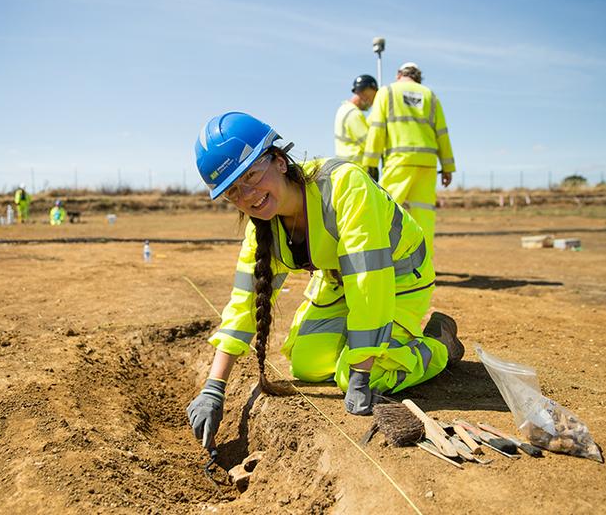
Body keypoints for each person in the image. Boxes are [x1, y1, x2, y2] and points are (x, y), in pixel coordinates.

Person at [186, 112, 463, 448]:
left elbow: (369, 281)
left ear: (278, 161)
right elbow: (244, 303)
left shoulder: (345, 186)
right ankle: (374, 347)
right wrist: (214, 388)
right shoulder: (262, 227)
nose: (248, 196)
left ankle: (437, 347)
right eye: (233, 192)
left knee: (353, 375)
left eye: (252, 176)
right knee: (307, 363)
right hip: (340, 282)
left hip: (398, 279)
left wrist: (361, 374)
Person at [363, 62, 456, 251]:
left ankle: (382, 257)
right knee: (424, 215)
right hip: (427, 163)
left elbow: (377, 129)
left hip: (399, 161)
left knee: (385, 210)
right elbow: (442, 134)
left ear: (399, 75)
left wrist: (370, 163)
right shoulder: (430, 96)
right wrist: (447, 168)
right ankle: (424, 265)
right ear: (418, 77)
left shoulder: (387, 92)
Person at [334, 74, 379, 180]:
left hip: (347, 169)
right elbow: (368, 144)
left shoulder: (343, 109)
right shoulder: (354, 114)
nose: (371, 103)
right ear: (366, 93)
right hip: (358, 171)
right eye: (373, 97)